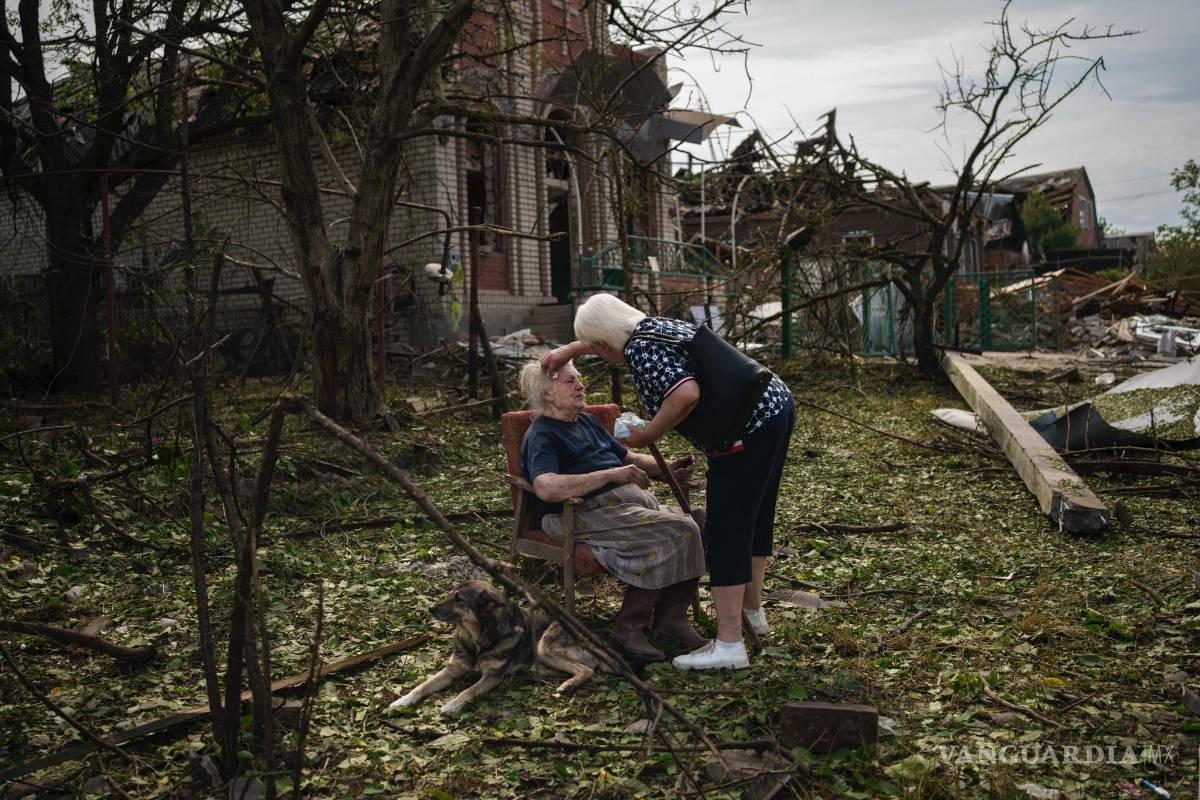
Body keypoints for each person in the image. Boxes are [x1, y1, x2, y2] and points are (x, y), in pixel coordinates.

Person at [540, 293, 794, 671]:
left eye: (596, 349)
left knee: (726, 530)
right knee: (754, 522)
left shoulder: (640, 351)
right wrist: (572, 348)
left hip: (743, 431)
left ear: (605, 343)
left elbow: (686, 393)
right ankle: (752, 615)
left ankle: (729, 645)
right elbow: (610, 336)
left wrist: (649, 432)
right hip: (773, 407)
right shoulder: (654, 327)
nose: (596, 361)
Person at [517, 360, 708, 662]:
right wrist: (611, 475)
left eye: (579, 378)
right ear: (547, 394)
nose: (580, 385)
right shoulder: (543, 434)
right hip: (577, 514)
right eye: (569, 381)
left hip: (625, 508)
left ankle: (670, 621)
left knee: (701, 520)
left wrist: (667, 467)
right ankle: (628, 630)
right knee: (678, 529)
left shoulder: (587, 421)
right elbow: (547, 487)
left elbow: (626, 456)